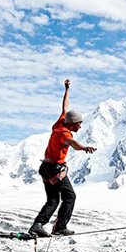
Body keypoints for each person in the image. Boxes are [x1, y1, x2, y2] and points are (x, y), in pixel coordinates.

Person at [29, 79, 97, 237]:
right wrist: (84, 148)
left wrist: (66, 90)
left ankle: (37, 226)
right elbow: (72, 142)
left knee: (53, 200)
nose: (80, 126)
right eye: (79, 124)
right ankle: (60, 227)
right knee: (70, 196)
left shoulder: (61, 121)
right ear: (73, 124)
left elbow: (65, 106)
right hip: (54, 169)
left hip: (45, 169)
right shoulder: (64, 133)